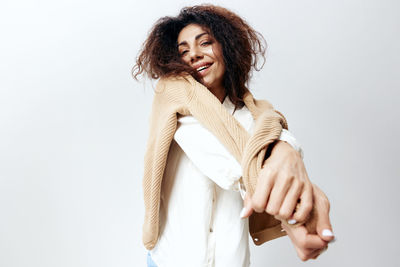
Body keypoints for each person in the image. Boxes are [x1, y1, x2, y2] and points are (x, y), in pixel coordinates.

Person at [133, 5, 335, 267]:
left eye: (205, 42)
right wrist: (293, 214)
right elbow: (226, 156)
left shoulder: (255, 113)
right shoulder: (173, 95)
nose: (194, 54)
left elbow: (272, 126)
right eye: (183, 51)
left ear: (227, 46)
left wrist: (286, 149)